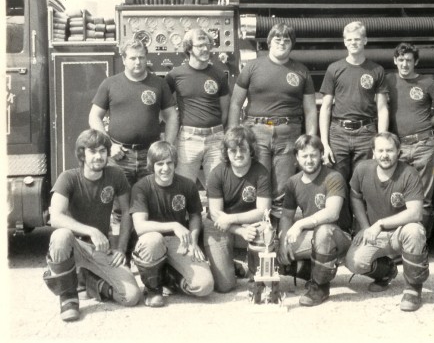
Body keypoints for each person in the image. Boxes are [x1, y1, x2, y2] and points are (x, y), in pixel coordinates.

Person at [43, 129, 141, 322]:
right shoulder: (68, 177)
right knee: (61, 235)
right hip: (74, 246)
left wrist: (120, 249)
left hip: (100, 248)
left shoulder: (115, 175)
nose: (98, 156)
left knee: (131, 296)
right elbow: (55, 217)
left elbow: (126, 213)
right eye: (92, 151)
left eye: (103, 151)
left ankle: (92, 282)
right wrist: (91, 230)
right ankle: (68, 296)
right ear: (82, 154)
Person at [228, 22, 316, 218]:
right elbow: (235, 103)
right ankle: (256, 232)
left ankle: (278, 233)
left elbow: (310, 110)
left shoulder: (301, 71)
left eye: (287, 40)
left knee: (282, 188)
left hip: (288, 133)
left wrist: (310, 139)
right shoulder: (252, 67)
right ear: (269, 42)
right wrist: (233, 135)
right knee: (257, 182)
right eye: (277, 39)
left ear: (292, 44)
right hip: (256, 131)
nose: (282, 43)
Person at [346, 132, 429, 312]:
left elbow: (415, 213)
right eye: (380, 150)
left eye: (390, 150)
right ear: (373, 152)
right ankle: (386, 272)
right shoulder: (362, 169)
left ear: (398, 151)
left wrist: (380, 223)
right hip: (376, 233)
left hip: (401, 232)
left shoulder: (409, 173)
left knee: (415, 231)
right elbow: (355, 197)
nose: (385, 155)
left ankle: (413, 289)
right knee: (355, 262)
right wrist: (364, 227)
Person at [130, 141, 214, 307]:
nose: (165, 168)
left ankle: (169, 278)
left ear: (175, 163)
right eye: (159, 164)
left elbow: (196, 215)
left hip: (179, 242)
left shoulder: (187, 185)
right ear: (151, 166)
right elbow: (140, 226)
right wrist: (174, 225)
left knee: (205, 286)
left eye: (169, 163)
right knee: (152, 240)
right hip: (151, 242)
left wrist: (193, 240)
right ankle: (152, 289)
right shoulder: (141, 187)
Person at [89, 39, 178, 186]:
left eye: (141, 57)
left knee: (151, 202)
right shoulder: (110, 84)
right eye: (132, 58)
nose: (138, 62)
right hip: (119, 156)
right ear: (124, 59)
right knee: (118, 203)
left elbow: (172, 116)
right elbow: (94, 116)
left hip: (150, 155)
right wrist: (109, 145)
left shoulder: (158, 84)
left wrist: (166, 146)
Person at [277, 134, 352, 307]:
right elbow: (287, 216)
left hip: (340, 236)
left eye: (313, 155)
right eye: (304, 156)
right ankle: (321, 271)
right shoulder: (293, 182)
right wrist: (283, 243)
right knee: (279, 254)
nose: (309, 160)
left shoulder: (333, 177)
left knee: (324, 231)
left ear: (321, 155)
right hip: (314, 235)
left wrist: (300, 223)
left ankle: (320, 287)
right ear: (296, 157)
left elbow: (332, 213)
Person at [386, 42, 434, 235]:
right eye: (401, 60)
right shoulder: (389, 81)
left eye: (408, 60)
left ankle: (421, 243)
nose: (404, 64)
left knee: (423, 199)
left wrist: (430, 122)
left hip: (423, 146)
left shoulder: (427, 83)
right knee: (397, 196)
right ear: (395, 61)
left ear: (416, 61)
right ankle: (401, 241)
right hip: (399, 147)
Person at [202, 126, 271, 294]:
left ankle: (258, 280)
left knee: (266, 229)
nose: (238, 155)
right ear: (226, 152)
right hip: (220, 226)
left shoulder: (261, 172)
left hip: (247, 225)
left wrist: (234, 220)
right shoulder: (217, 173)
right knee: (225, 286)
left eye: (243, 150)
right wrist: (239, 230)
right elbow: (215, 213)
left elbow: (263, 211)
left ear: (251, 150)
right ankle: (228, 265)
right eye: (233, 151)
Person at [319, 21, 389, 182]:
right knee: (337, 180)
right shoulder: (334, 69)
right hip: (338, 133)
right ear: (344, 42)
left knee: (364, 180)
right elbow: (326, 108)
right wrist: (325, 143)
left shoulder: (376, 70)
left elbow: (382, 108)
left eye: (357, 39)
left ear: (365, 40)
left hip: (366, 132)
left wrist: (380, 139)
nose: (353, 43)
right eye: (349, 40)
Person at [165, 28, 230, 185]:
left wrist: (216, 130)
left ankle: (214, 211)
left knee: (216, 187)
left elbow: (225, 110)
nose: (205, 49)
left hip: (216, 139)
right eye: (200, 45)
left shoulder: (220, 75)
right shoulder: (175, 75)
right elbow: (163, 106)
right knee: (183, 186)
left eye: (207, 44)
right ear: (189, 48)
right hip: (188, 140)